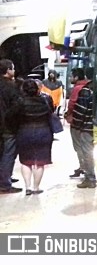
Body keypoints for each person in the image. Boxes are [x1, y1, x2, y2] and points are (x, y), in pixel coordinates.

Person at [16, 79, 54, 195]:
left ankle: (27, 187)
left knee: (26, 161)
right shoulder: (45, 100)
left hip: (25, 132)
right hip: (43, 132)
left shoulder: (20, 102)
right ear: (37, 89)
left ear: (23, 89)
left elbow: (11, 116)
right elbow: (51, 113)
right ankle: (36, 188)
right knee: (39, 162)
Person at [65, 68, 97, 188]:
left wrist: (76, 125)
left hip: (86, 127)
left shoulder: (85, 91)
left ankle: (90, 178)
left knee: (86, 152)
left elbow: (79, 110)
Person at [0, 59, 23, 193]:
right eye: (12, 68)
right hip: (8, 126)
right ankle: (5, 183)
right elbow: (16, 107)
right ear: (8, 70)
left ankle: (4, 177)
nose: (14, 71)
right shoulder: (11, 87)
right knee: (9, 154)